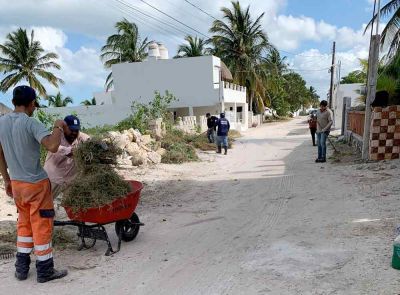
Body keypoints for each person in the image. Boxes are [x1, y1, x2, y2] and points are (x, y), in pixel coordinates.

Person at [0, 86, 68, 283]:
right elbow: (52, 146)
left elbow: (1, 154)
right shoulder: (31, 123)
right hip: (36, 185)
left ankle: (21, 268)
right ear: (31, 104)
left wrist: (6, 180)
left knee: (24, 224)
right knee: (42, 225)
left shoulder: (1, 122)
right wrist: (57, 126)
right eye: (34, 105)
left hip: (17, 184)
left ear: (13, 102)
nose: (34, 108)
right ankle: (45, 270)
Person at [44, 115, 89, 198]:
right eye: (71, 130)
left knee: (73, 206)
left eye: (76, 130)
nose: (74, 133)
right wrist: (68, 150)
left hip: (70, 181)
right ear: (64, 127)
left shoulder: (82, 137)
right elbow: (53, 147)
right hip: (53, 178)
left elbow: (92, 142)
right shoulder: (55, 135)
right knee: (44, 204)